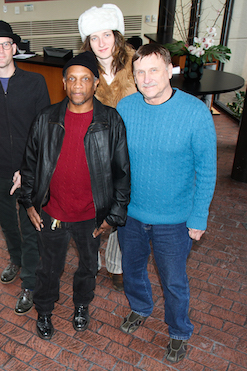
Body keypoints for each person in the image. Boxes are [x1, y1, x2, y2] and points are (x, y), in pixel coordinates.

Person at [19, 52, 130, 340]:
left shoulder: (110, 121)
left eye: (85, 79)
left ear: (95, 83)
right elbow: (29, 165)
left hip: (91, 216)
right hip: (53, 212)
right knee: (48, 268)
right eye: (72, 79)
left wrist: (114, 217)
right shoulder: (45, 119)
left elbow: (122, 172)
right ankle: (43, 310)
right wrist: (30, 201)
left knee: (88, 267)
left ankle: (81, 306)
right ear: (64, 83)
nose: (78, 85)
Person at [116, 44, 216, 363]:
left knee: (173, 281)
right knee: (132, 271)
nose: (146, 78)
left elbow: (207, 168)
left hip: (174, 219)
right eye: (140, 72)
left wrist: (198, 217)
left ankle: (178, 330)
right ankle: (141, 308)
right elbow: (115, 161)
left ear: (169, 70)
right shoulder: (125, 107)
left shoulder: (195, 112)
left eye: (154, 70)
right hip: (131, 214)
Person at [0, 20, 50, 315]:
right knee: (7, 223)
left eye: (6, 44)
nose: (1, 49)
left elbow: (44, 128)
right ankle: (16, 259)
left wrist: (27, 167)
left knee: (30, 226)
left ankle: (29, 282)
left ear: (15, 48)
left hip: (29, 169)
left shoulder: (35, 82)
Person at [78, 3, 137, 291]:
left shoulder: (136, 64)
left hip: (133, 148)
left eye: (106, 35)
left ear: (117, 35)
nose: (101, 43)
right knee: (94, 208)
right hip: (96, 150)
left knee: (122, 206)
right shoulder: (82, 70)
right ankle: (91, 262)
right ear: (87, 42)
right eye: (94, 37)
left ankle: (115, 263)